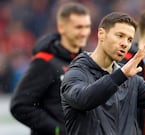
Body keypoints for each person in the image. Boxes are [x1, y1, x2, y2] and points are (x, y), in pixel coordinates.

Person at [60, 12, 145, 135]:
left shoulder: (130, 78)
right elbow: (84, 99)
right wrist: (120, 76)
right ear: (101, 34)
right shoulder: (76, 72)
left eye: (129, 39)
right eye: (120, 35)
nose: (125, 44)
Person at [10, 2, 91, 135]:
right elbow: (20, 106)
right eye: (78, 27)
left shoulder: (85, 62)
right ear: (61, 27)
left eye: (87, 27)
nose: (84, 33)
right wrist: (57, 130)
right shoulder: (45, 61)